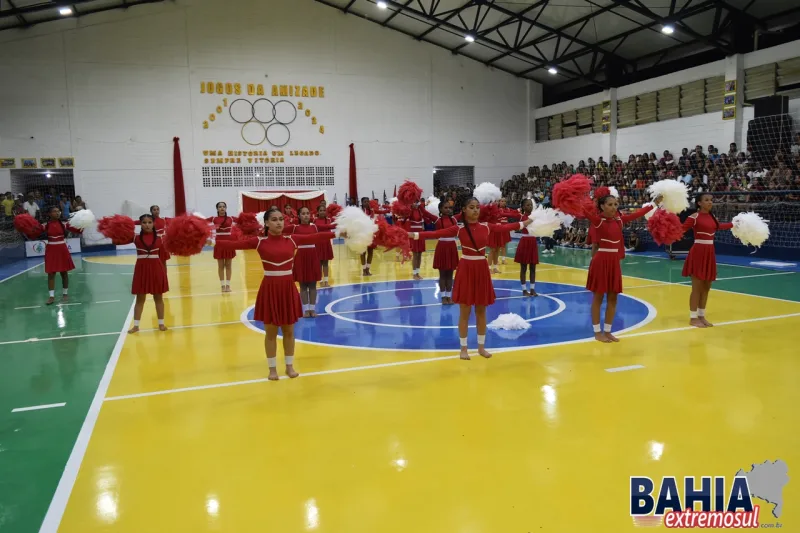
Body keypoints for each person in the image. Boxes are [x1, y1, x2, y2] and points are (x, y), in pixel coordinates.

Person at [215, 207, 339, 381]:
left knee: (289, 331)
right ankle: (272, 369)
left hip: (288, 288)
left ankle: (289, 366)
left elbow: (314, 237)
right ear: (266, 223)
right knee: (271, 332)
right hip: (270, 289)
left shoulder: (292, 240)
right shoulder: (259, 242)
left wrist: (340, 233)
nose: (279, 222)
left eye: (281, 219)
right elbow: (233, 244)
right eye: (274, 219)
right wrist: (208, 241)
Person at [409, 198, 533, 360]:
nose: (475, 210)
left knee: (481, 311)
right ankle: (464, 348)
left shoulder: (487, 227)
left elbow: (506, 227)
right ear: (464, 210)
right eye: (471, 207)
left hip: (481, 269)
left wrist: (526, 223)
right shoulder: (458, 229)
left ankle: (481, 347)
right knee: (465, 312)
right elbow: (435, 233)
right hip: (466, 268)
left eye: (477, 208)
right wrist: (414, 234)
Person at [583, 194, 660, 343]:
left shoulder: (619, 221)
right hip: (601, 261)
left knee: (613, 297)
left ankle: (608, 331)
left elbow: (638, 214)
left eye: (615, 204)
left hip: (614, 262)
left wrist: (653, 204)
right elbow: (583, 211)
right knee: (598, 297)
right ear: (602, 206)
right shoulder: (598, 221)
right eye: (610, 204)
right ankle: (597, 332)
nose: (613, 208)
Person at [681, 193, 734, 328]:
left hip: (710, 253)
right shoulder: (694, 217)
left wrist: (734, 224)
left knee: (706, 288)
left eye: (711, 200)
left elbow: (719, 227)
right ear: (699, 203)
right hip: (698, 253)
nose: (710, 202)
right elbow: (680, 230)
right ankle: (693, 318)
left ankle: (701, 316)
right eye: (706, 200)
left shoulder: (712, 217)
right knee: (697, 288)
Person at [23, 206, 82, 305]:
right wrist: (27, 227)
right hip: (51, 250)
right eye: (54, 211)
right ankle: (51, 296)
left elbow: (78, 228)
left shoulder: (64, 224)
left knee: (64, 273)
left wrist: (82, 222)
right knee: (51, 274)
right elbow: (34, 231)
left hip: (62, 250)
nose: (57, 213)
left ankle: (65, 294)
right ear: (49, 214)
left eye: (58, 211)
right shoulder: (46, 225)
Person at [284, 206, 336, 317]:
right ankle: (306, 309)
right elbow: (279, 231)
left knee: (312, 285)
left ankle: (312, 309)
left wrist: (342, 227)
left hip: (313, 257)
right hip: (300, 257)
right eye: (303, 213)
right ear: (299, 215)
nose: (306, 215)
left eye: (307, 213)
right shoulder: (294, 228)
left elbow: (328, 227)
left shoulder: (315, 227)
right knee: (303, 286)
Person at [126, 214, 169, 334]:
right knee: (140, 298)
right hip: (141, 269)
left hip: (156, 268)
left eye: (150, 222)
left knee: (158, 297)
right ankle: (136, 326)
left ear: (154, 224)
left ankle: (161, 323)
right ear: (140, 224)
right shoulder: (135, 237)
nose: (147, 225)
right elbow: (116, 240)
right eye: (144, 222)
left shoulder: (161, 237)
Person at [206, 202, 240, 292]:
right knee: (220, 266)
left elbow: (243, 221)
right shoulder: (213, 219)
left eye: (223, 207)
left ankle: (228, 285)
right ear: (217, 209)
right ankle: (222, 286)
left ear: (226, 208)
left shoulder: (231, 218)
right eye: (220, 207)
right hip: (219, 243)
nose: (222, 208)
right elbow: (200, 222)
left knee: (228, 265)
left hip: (229, 242)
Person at [431, 201, 459, 305]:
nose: (448, 209)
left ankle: (449, 296)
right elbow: (437, 235)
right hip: (442, 247)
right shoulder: (438, 221)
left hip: (452, 246)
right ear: (441, 209)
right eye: (446, 207)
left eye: (449, 208)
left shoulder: (454, 220)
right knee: (442, 274)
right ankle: (443, 297)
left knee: (450, 274)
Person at [404, 201, 437, 280]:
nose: (415, 204)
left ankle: (418, 273)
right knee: (415, 255)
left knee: (419, 254)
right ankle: (414, 274)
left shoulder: (420, 211)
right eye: (414, 202)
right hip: (414, 234)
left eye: (417, 202)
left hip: (421, 234)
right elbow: (406, 217)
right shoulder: (410, 211)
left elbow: (426, 220)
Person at [514, 198, 538, 296]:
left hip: (533, 242)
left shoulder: (535, 217)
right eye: (527, 205)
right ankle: (524, 290)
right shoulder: (522, 217)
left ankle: (532, 289)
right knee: (523, 268)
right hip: (524, 242)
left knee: (533, 268)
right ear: (523, 207)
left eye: (531, 205)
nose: (530, 206)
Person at [359, 197, 389, 276]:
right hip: (362, 234)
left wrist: (390, 210)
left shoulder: (372, 210)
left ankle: (368, 269)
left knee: (370, 252)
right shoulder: (360, 211)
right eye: (365, 202)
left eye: (367, 201)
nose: (366, 203)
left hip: (371, 233)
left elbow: (381, 211)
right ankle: (364, 270)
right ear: (362, 203)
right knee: (362, 252)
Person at [313, 204, 335, 287]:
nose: (322, 212)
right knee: (319, 263)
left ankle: (326, 280)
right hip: (318, 244)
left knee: (326, 263)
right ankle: (320, 280)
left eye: (324, 210)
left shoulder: (329, 220)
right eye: (320, 210)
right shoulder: (314, 221)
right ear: (318, 212)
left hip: (326, 243)